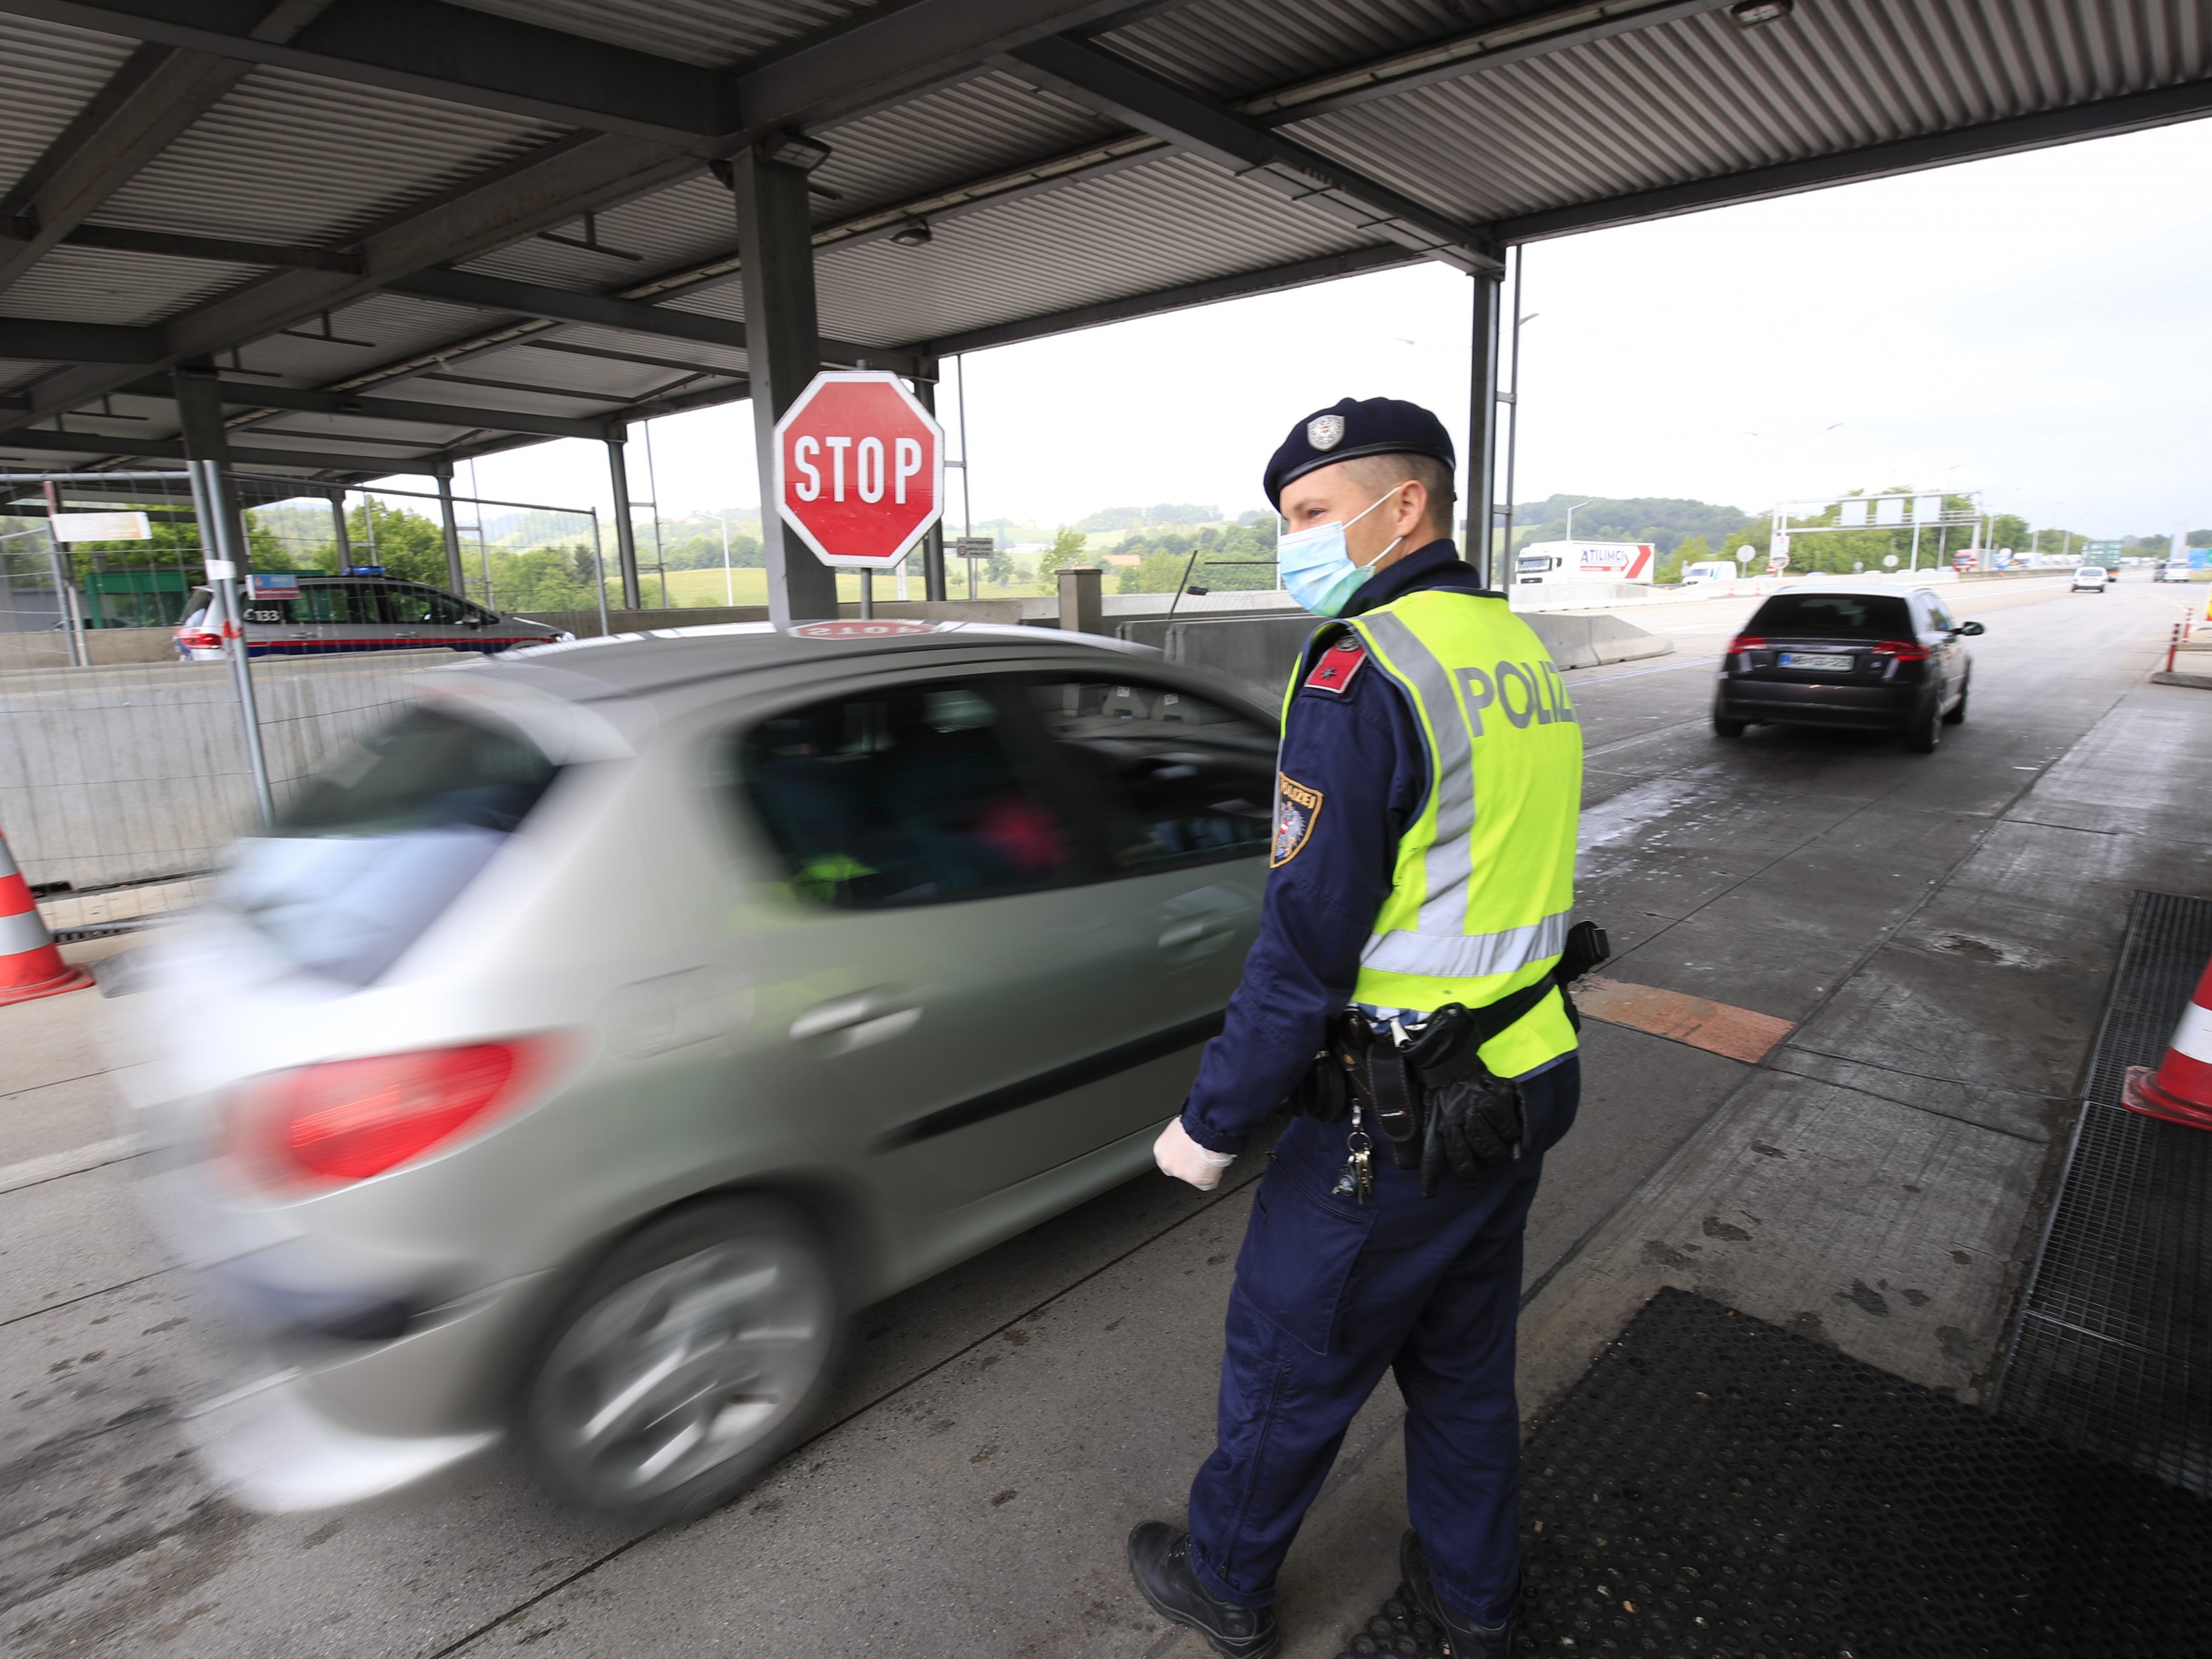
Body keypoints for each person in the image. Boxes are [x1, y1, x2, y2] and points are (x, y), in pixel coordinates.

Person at [1126, 397, 1587, 1659]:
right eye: (1288, 519)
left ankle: (1222, 1581)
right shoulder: (1511, 647)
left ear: (1407, 507)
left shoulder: (1361, 667)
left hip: (1396, 1110)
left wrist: (1214, 1123)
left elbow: (1307, 944)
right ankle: (1473, 1598)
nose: (1298, 542)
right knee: (1460, 1361)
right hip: (1523, 1071)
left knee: (1290, 1353)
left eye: (1315, 514)